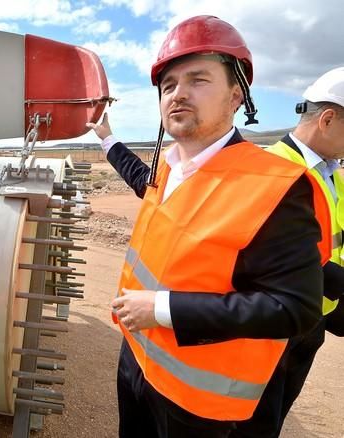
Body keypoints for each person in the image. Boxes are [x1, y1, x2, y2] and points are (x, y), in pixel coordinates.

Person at [85, 15, 331, 437]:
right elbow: (138, 180)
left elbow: (295, 307)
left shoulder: (275, 185)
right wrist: (107, 138)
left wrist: (161, 310)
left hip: (201, 406)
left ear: (237, 95)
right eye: (169, 85)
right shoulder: (168, 168)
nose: (178, 93)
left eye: (198, 80)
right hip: (138, 367)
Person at [233, 67, 344, 437]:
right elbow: (273, 259)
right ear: (328, 119)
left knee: (277, 415)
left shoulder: (333, 172)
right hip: (274, 326)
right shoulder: (272, 170)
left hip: (315, 321)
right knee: (254, 422)